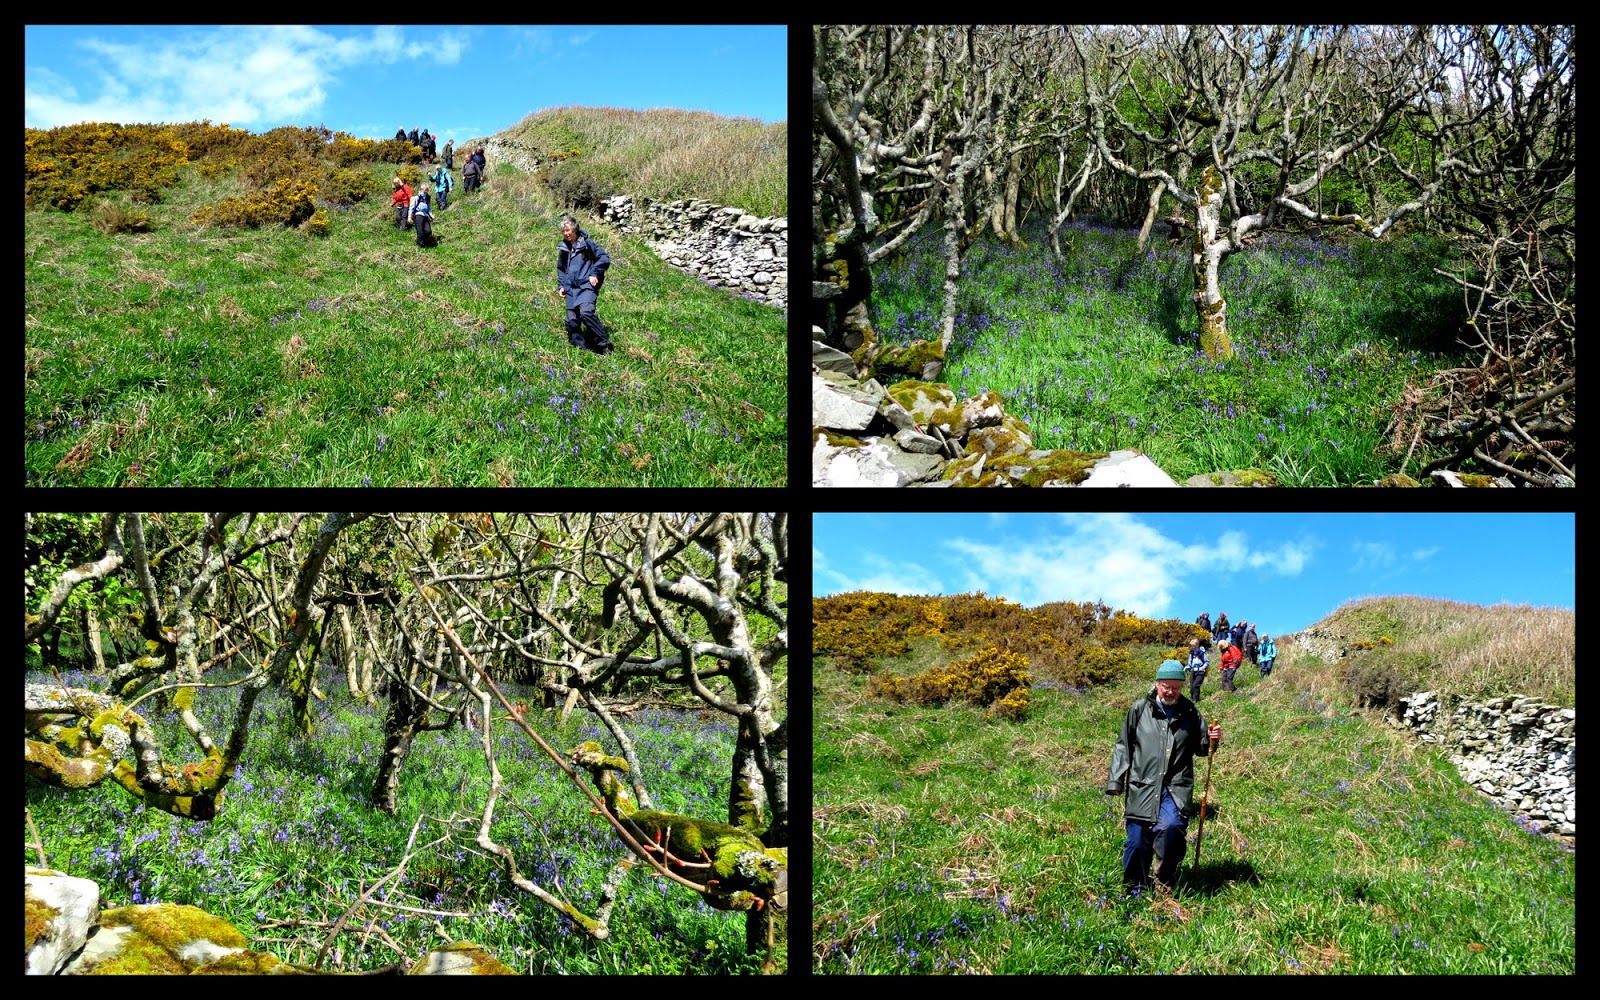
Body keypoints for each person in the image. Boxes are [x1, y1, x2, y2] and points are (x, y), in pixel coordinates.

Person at [1104, 660, 1222, 895]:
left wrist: (1212, 739)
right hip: (1142, 785)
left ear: (1182, 687)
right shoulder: (1139, 709)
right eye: (1166, 686)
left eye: (1176, 687)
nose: (1170, 692)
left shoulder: (1190, 712)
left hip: (1175, 788)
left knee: (1172, 829)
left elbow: (1202, 749)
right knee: (1137, 840)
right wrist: (1116, 780)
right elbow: (1123, 745)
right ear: (1157, 684)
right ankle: (1135, 888)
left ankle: (1163, 878)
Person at [556, 214, 614, 355]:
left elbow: (604, 258)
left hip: (586, 286)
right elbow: (561, 269)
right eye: (563, 231)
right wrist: (562, 285)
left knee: (586, 313)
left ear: (574, 229)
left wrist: (594, 273)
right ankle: (581, 351)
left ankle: (604, 346)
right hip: (571, 289)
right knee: (572, 320)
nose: (566, 233)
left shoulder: (587, 244)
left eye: (568, 230)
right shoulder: (564, 248)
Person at [409, 182, 436, 248]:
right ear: (422, 189)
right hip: (418, 215)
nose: (427, 190)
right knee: (420, 232)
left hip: (425, 216)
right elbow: (412, 208)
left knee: (428, 231)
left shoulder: (427, 198)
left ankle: (423, 241)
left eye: (427, 189)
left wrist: (431, 215)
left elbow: (429, 208)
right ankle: (420, 245)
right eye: (426, 189)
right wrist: (409, 217)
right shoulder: (417, 197)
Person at [1185, 638, 1208, 703]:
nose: (1192, 647)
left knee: (1196, 685)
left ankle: (1195, 700)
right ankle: (1193, 698)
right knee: (1192, 686)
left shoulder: (1201, 652)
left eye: (1194, 646)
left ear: (1197, 645)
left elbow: (1206, 662)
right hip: (1193, 671)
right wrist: (1187, 667)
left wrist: (1203, 667)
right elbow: (1190, 663)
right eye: (1191, 646)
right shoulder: (1192, 653)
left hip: (1200, 671)